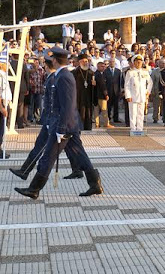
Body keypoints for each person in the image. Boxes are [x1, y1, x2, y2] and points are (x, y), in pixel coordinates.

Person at [14, 46, 104, 199]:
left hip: (64, 125)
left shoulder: (64, 77)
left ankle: (34, 189)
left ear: (54, 60)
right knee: (79, 154)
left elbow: (67, 105)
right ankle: (95, 183)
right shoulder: (63, 75)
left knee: (48, 156)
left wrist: (61, 129)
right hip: (68, 124)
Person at [124, 55, 152, 132]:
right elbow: (127, 85)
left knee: (141, 114)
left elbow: (150, 83)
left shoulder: (145, 72)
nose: (138, 63)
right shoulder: (130, 72)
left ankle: (140, 128)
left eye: (140, 62)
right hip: (133, 96)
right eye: (137, 62)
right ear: (134, 63)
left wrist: (147, 92)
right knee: (133, 113)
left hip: (142, 96)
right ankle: (133, 128)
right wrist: (128, 95)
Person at [72, 54, 95, 131]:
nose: (85, 63)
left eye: (86, 61)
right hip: (78, 95)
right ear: (79, 62)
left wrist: (94, 85)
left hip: (88, 95)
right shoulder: (74, 72)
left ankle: (88, 127)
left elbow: (94, 86)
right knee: (79, 111)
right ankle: (79, 126)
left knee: (88, 111)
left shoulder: (91, 72)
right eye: (83, 61)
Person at [93, 61, 112, 128]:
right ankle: (106, 123)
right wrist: (106, 94)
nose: (104, 67)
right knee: (104, 110)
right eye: (102, 66)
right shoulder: (99, 75)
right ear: (98, 66)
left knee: (96, 111)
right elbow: (102, 86)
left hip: (95, 96)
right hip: (101, 95)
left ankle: (97, 124)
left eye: (104, 66)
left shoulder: (95, 74)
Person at [105, 58, 122, 123]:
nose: (112, 63)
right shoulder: (106, 71)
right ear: (109, 63)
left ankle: (116, 118)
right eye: (111, 62)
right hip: (109, 91)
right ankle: (108, 118)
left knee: (116, 106)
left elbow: (119, 81)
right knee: (108, 106)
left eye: (113, 62)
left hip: (116, 91)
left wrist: (120, 90)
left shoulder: (118, 71)